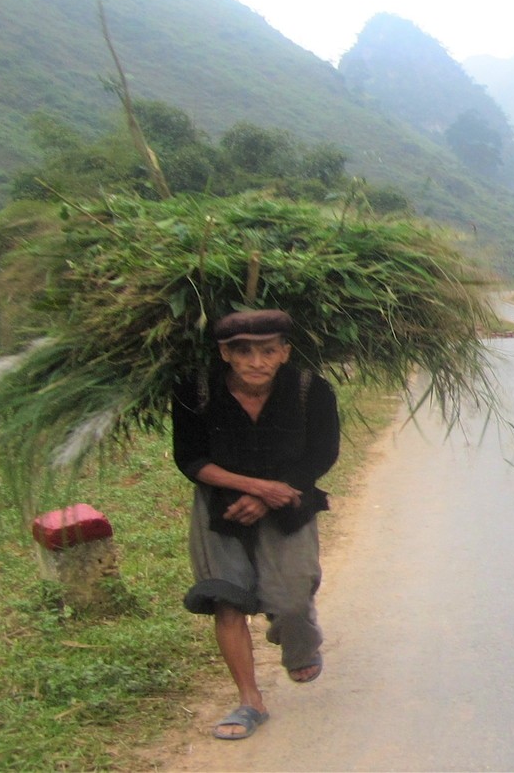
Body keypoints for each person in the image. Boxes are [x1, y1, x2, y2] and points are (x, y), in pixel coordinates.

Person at [172, 309, 340, 741]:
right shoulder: (196, 390)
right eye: (242, 351)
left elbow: (322, 454)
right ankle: (250, 701)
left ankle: (300, 643)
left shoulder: (311, 390)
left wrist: (275, 493)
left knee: (290, 598)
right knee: (226, 598)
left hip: (290, 502)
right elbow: (190, 459)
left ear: (284, 352)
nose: (256, 362)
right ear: (225, 353)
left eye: (268, 351)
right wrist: (255, 487)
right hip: (220, 508)